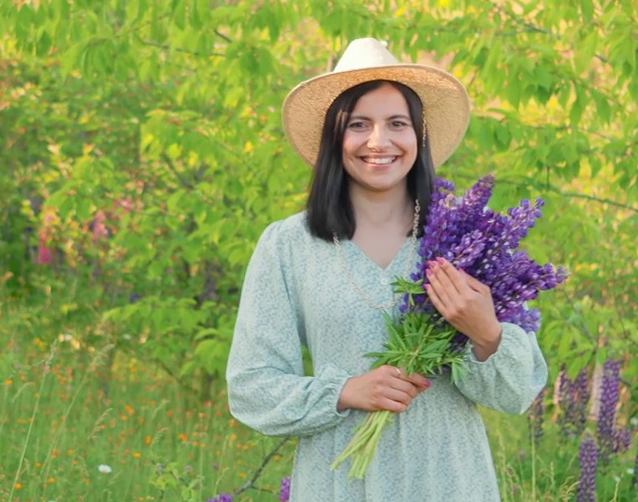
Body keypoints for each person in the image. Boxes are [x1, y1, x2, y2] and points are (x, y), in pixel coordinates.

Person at [226, 38, 548, 501]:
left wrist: (485, 334)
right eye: (359, 124)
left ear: (419, 135)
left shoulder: (468, 239)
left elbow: (517, 395)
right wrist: (347, 392)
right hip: (339, 482)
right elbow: (252, 387)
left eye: (397, 123)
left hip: (447, 479)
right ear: (334, 138)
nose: (379, 141)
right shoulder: (289, 246)